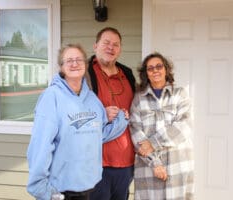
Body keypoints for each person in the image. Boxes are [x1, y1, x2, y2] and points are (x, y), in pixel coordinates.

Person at [26, 44, 130, 200]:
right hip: (60, 190)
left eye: (78, 60)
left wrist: (121, 120)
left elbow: (97, 135)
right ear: (61, 67)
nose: (74, 64)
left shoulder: (93, 100)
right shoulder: (52, 97)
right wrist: (42, 189)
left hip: (89, 186)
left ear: (85, 65)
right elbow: (41, 144)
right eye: (69, 60)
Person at [129, 52, 194, 200]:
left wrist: (153, 143)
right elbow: (135, 132)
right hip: (148, 168)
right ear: (146, 73)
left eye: (159, 66)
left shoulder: (180, 94)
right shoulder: (139, 99)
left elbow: (184, 126)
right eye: (150, 68)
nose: (155, 70)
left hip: (178, 165)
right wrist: (155, 164)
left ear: (166, 69)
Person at [88, 27, 136, 200]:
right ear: (95, 46)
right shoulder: (85, 73)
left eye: (116, 44)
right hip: (96, 162)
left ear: (120, 50)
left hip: (126, 162)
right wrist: (101, 114)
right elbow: (71, 113)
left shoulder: (128, 74)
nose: (111, 47)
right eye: (106, 43)